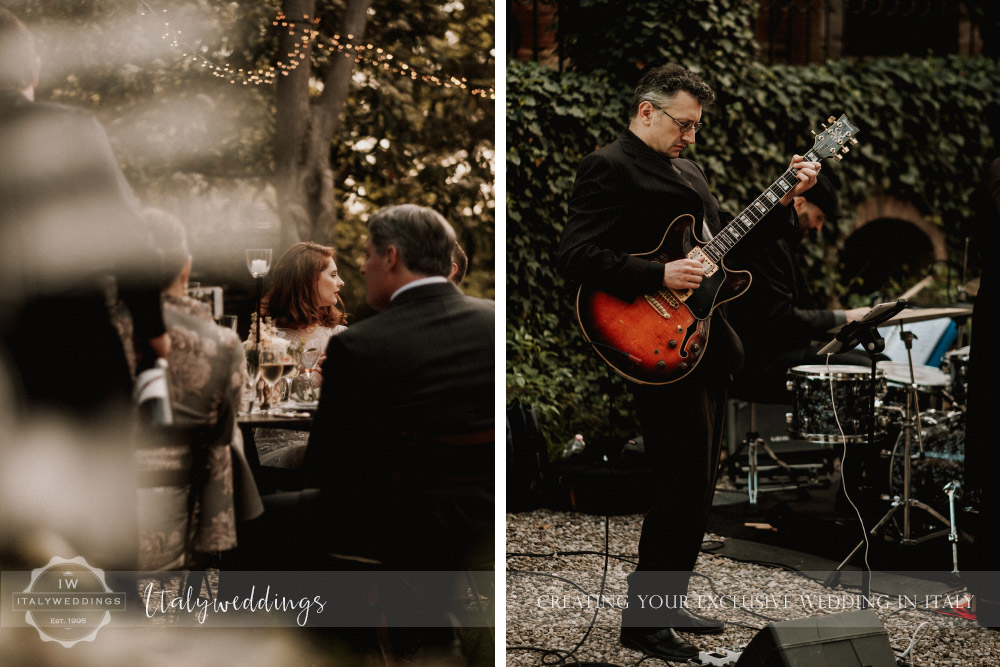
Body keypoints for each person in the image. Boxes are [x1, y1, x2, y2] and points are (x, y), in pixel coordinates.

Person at [557, 64, 819, 661]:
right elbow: (575, 255)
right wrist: (659, 274)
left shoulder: (689, 171)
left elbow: (727, 241)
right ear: (646, 111)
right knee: (678, 483)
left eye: (697, 126)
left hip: (702, 343)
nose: (691, 137)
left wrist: (787, 199)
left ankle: (664, 604)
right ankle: (644, 622)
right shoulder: (609, 166)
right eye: (684, 124)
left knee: (699, 485)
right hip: (649, 341)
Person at [303, 204, 493, 657]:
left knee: (260, 521)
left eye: (367, 254)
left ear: (391, 256)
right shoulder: (491, 321)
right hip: (487, 512)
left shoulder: (358, 345)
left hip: (401, 528)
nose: (362, 266)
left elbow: (325, 467)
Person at [0, 7, 168, 419]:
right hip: (69, 352)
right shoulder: (69, 130)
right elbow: (128, 239)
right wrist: (152, 330)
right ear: (31, 69)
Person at [136, 210, 263, 570]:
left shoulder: (79, 336)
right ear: (185, 268)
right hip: (173, 514)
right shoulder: (221, 344)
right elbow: (223, 433)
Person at [727, 172, 872, 403]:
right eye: (819, 217)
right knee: (870, 368)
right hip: (762, 361)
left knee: (877, 362)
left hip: (781, 351)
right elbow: (781, 319)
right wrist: (844, 316)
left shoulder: (784, 245)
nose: (818, 228)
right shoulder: (768, 246)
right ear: (801, 203)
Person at [251, 241, 348, 471]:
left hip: (326, 441)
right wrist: (314, 381)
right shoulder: (267, 337)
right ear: (308, 279)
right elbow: (257, 400)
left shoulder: (340, 336)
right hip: (277, 446)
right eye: (333, 274)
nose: (341, 282)